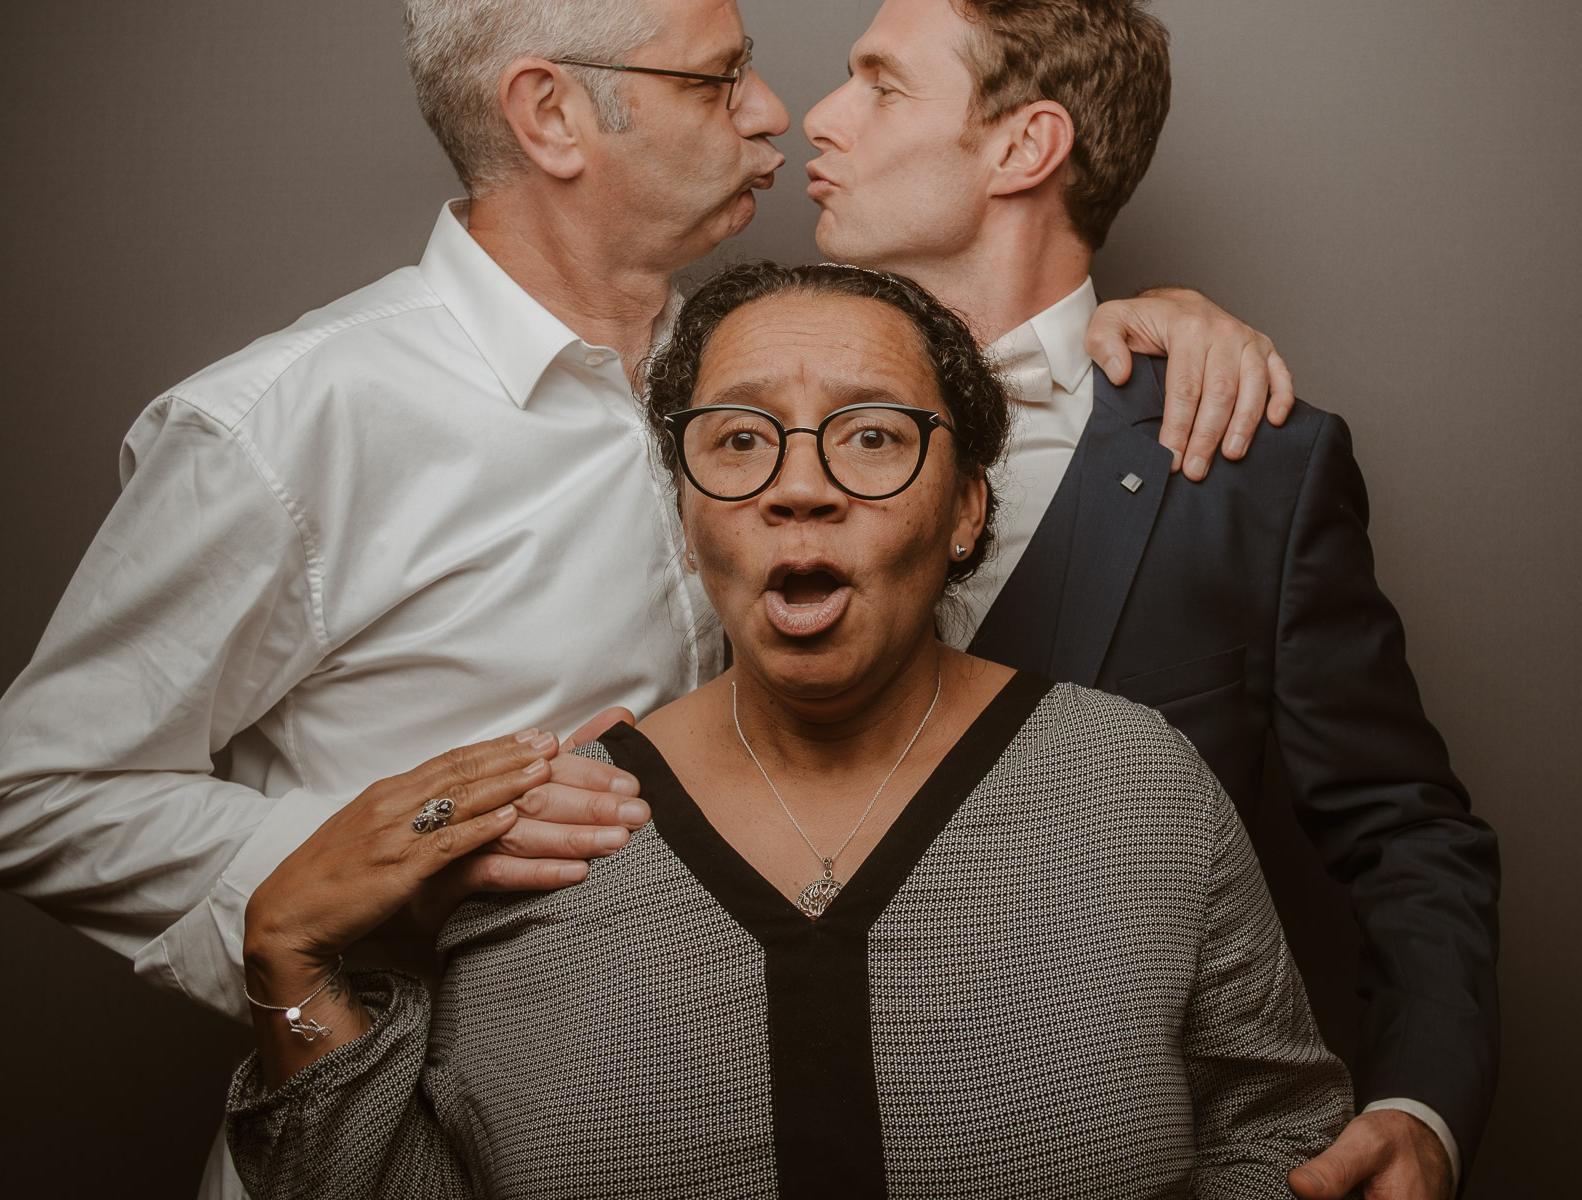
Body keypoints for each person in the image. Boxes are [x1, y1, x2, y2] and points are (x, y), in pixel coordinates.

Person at [0, 0, 1293, 1195]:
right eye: (717, 79)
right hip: (387, 1144)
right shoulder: (293, 423)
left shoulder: (739, 359)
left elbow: (935, 366)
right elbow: (38, 792)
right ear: (551, 116)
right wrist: (381, 856)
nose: (776, 110)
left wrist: (1145, 331)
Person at [222, 261, 1352, 1197]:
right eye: (737, 438)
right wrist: (288, 960)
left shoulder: (1135, 786)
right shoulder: (541, 841)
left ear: (965, 507)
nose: (797, 487)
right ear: (684, 510)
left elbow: (1270, 1130)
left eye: (869, 437)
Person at [798, 0, 1503, 1197]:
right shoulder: (746, 433)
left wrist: (1419, 1107)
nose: (821, 116)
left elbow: (1404, 830)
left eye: (881, 81)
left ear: (1025, 146)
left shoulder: (1251, 465)